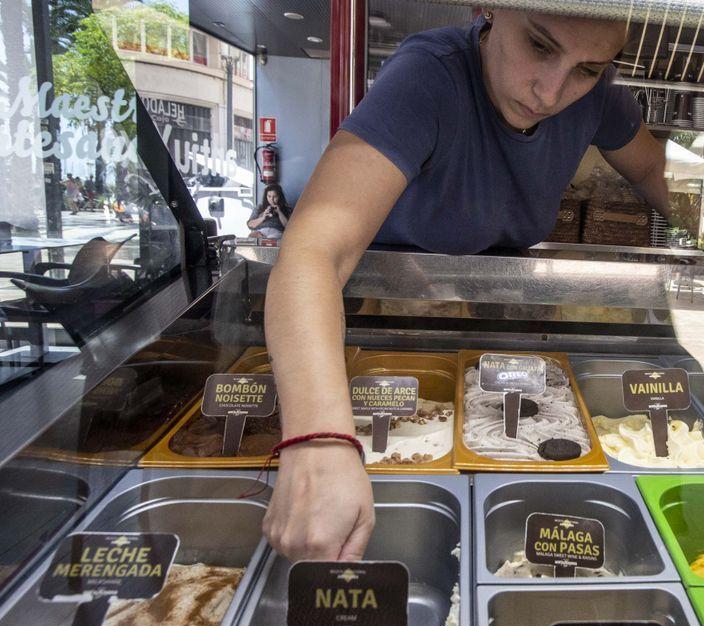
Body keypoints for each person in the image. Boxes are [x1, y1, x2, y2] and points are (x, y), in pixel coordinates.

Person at [262, 10, 669, 562]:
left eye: (588, 68)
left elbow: (649, 168)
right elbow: (312, 252)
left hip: (502, 331)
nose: (550, 93)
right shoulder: (430, 77)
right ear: (491, 8)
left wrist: (691, 240)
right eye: (540, 46)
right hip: (381, 331)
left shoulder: (596, 98)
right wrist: (317, 442)